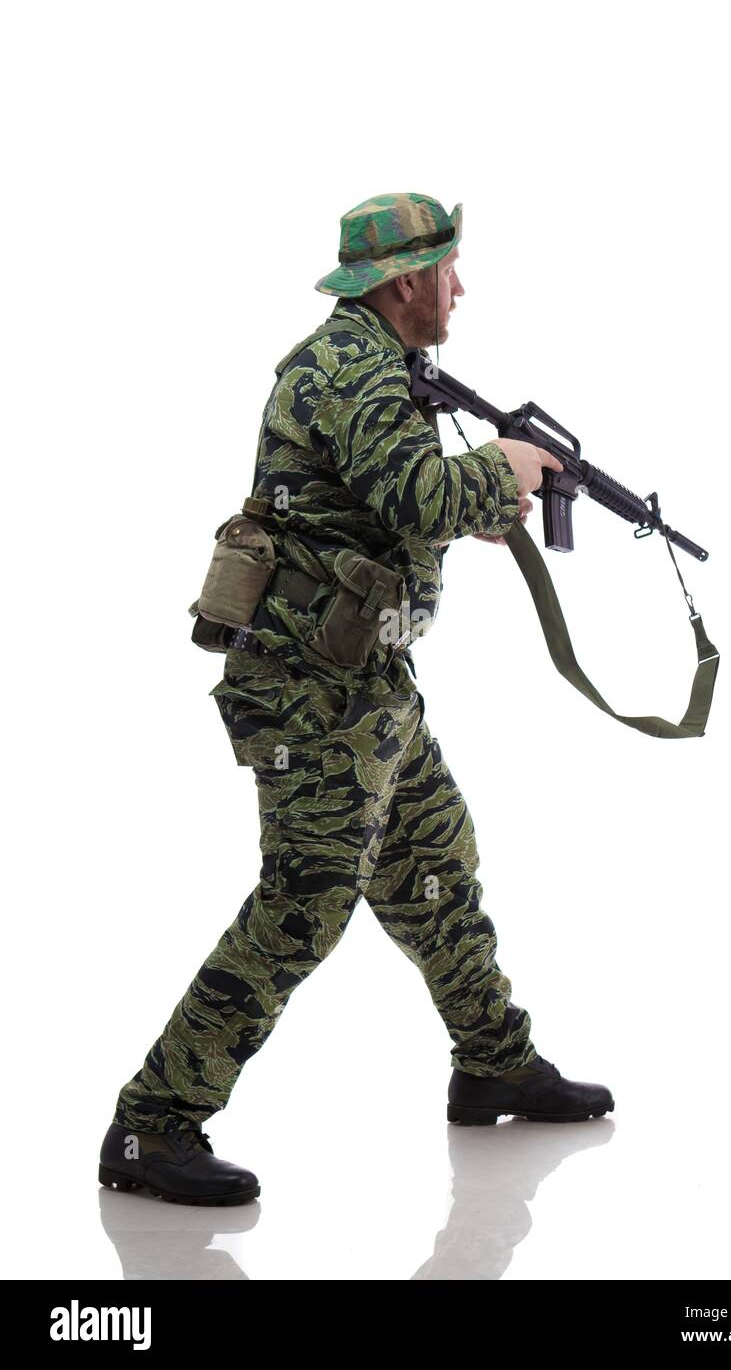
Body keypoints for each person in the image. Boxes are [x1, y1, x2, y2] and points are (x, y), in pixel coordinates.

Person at [98, 193, 614, 1207]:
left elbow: (382, 505)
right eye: (448, 270)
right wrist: (494, 468)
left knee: (434, 861)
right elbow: (420, 494)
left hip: (366, 682)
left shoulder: (380, 370)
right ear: (405, 279)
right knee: (305, 900)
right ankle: (152, 1125)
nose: (459, 289)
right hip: (305, 692)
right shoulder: (348, 367)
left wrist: (458, 499)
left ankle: (493, 1063)